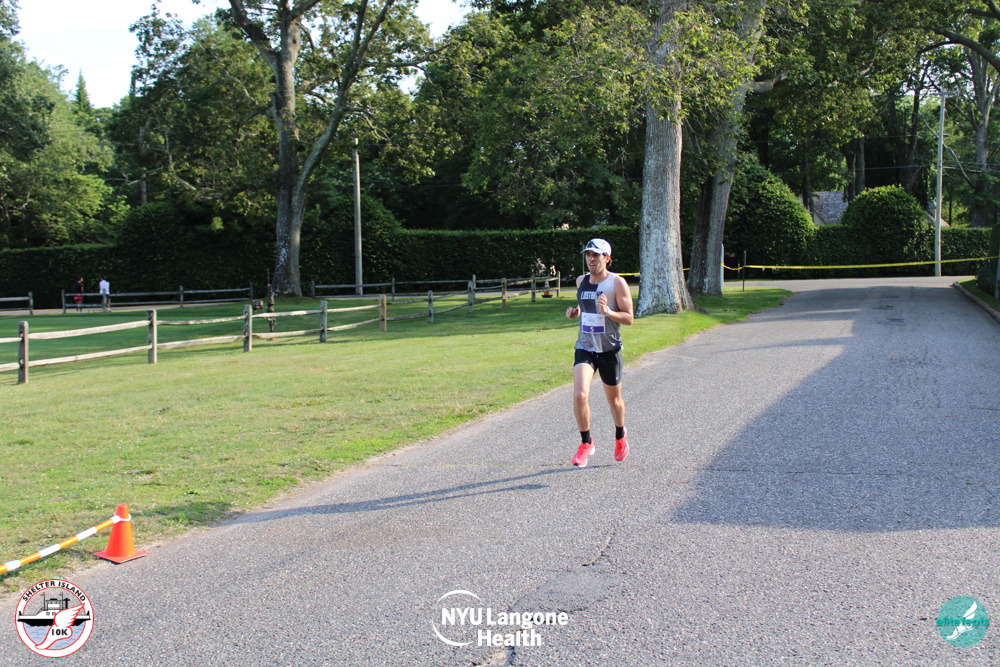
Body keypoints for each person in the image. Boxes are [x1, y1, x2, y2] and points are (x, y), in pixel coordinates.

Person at [565, 238, 634, 467]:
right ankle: (586, 443)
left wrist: (608, 312)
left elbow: (629, 318)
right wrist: (575, 312)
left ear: (607, 258)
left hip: (609, 349)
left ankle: (620, 436)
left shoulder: (617, 283)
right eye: (588, 255)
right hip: (585, 346)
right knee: (579, 395)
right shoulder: (581, 281)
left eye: (596, 255)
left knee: (614, 401)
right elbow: (585, 307)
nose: (591, 259)